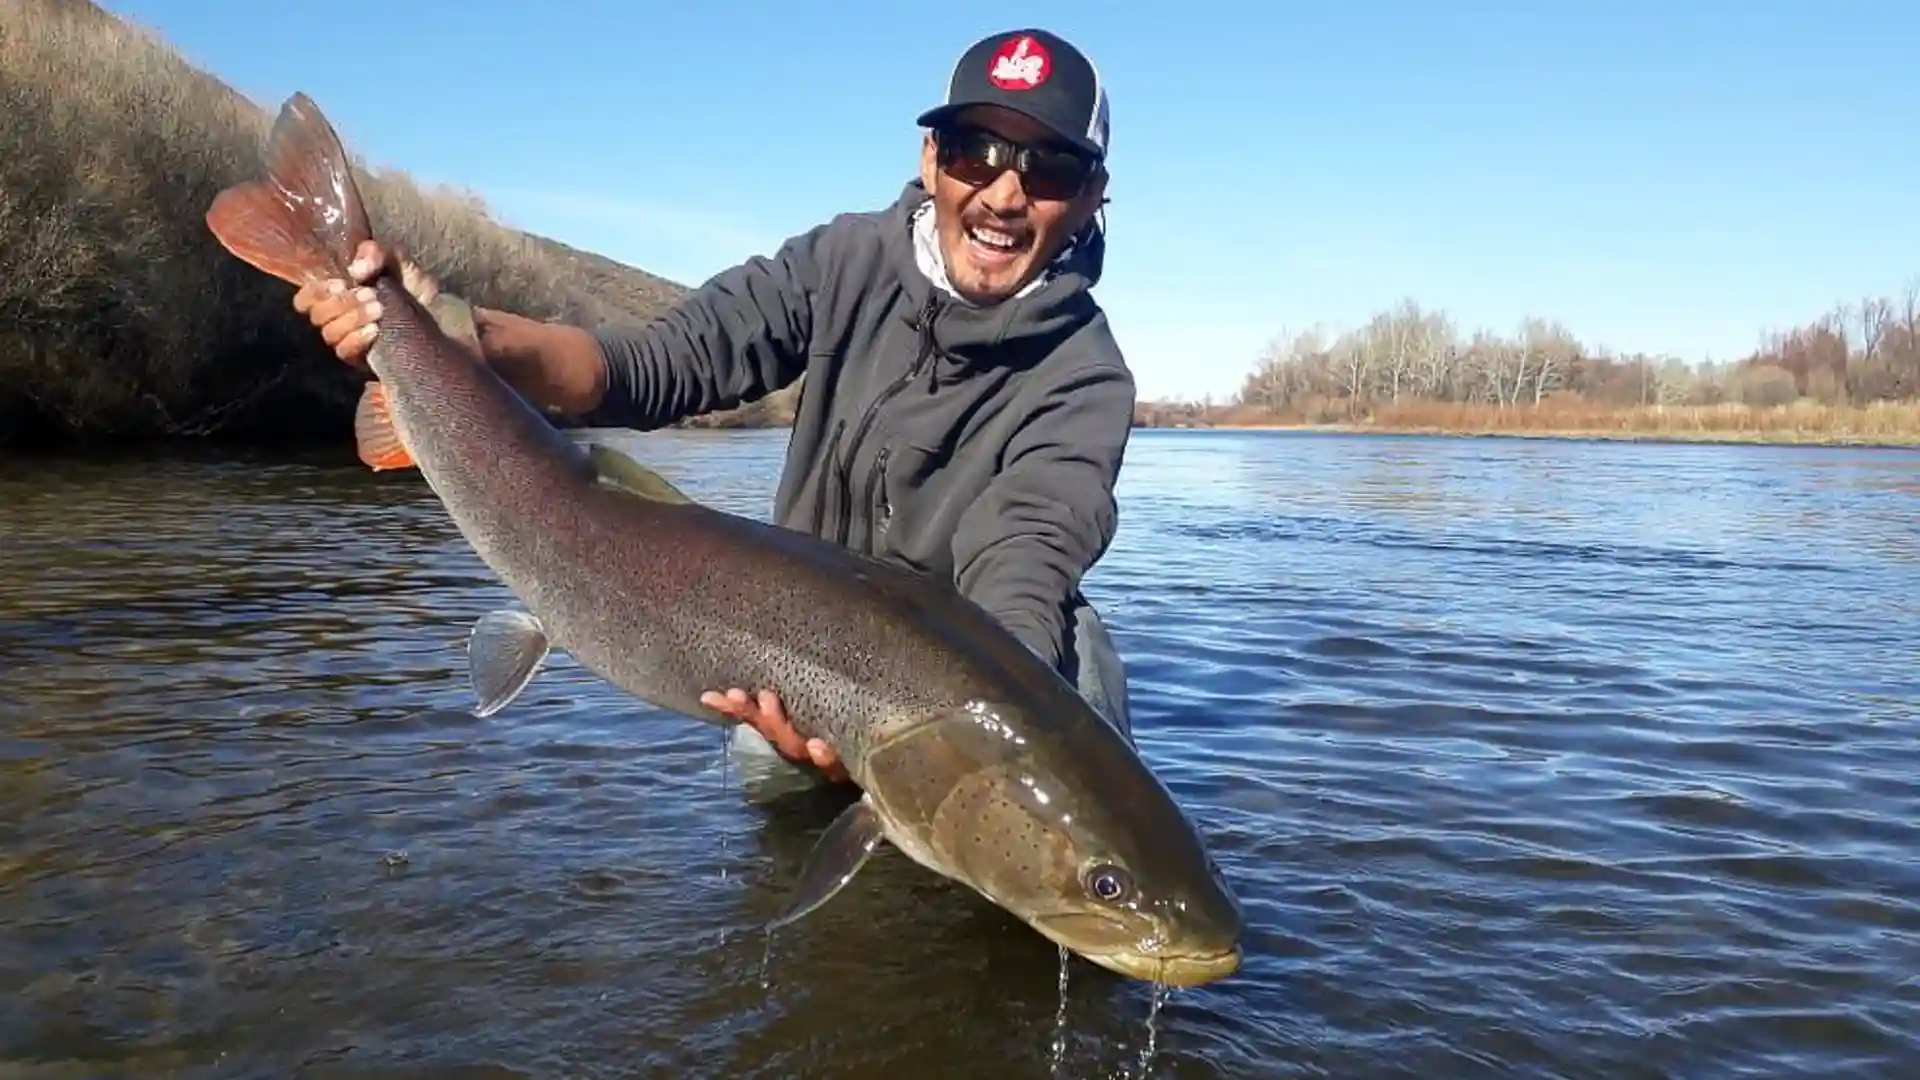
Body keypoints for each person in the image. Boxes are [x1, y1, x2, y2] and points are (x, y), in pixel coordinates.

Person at [294, 28, 1137, 789]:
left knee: (1066, 711)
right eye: (974, 153)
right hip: (794, 646)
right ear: (930, 159)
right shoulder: (844, 261)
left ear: (1093, 192)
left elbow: (1023, 565)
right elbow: (657, 364)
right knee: (778, 797)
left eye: (1049, 168)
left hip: (957, 664)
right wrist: (449, 329)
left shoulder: (1084, 379)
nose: (1003, 194)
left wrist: (973, 752)